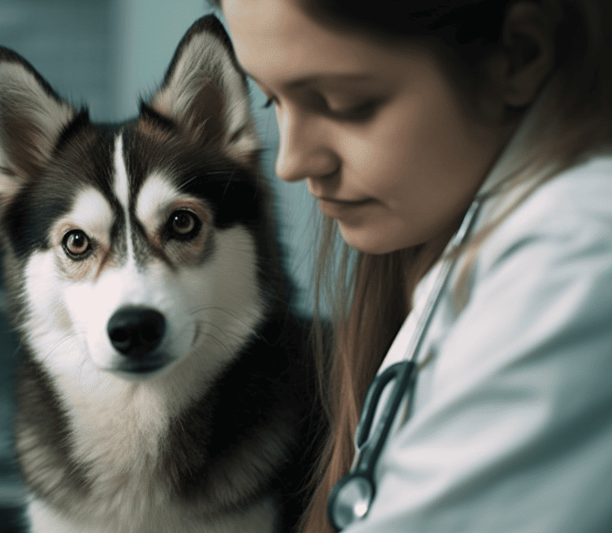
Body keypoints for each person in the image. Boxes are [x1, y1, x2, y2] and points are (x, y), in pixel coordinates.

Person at [213, 0, 612, 531]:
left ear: (519, 57)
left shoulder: (574, 256)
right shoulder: (457, 252)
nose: (291, 162)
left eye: (343, 102)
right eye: (270, 101)